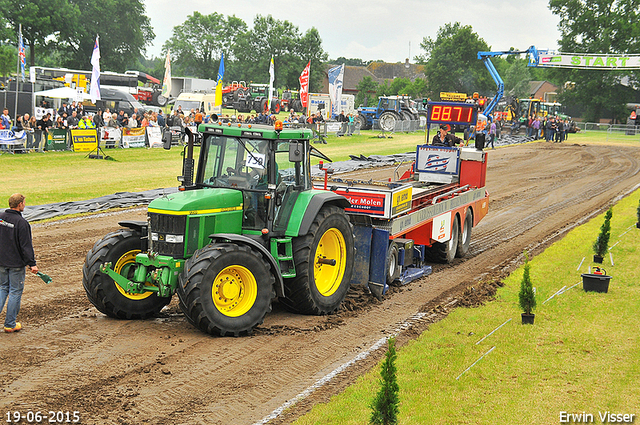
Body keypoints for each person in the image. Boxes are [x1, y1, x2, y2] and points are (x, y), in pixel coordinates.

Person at [0, 193, 38, 333]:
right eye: (24, 203)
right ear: (20, 204)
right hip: (15, 264)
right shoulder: (22, 224)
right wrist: (32, 264)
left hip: (1, 262)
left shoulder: (1, 218)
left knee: (3, 288)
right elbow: (26, 247)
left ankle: (10, 322)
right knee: (15, 292)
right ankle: (10, 324)